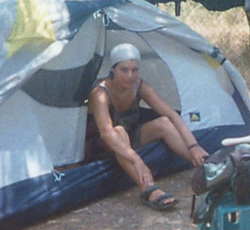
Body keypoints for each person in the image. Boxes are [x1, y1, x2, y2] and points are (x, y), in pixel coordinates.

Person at [87, 43, 208, 211]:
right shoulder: (100, 92)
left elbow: (172, 115)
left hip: (129, 138)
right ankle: (149, 189)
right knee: (119, 132)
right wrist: (137, 160)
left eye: (134, 70)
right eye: (124, 70)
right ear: (113, 69)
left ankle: (205, 166)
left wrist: (194, 145)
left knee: (163, 123)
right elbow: (107, 133)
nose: (130, 75)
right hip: (101, 145)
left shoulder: (139, 85)